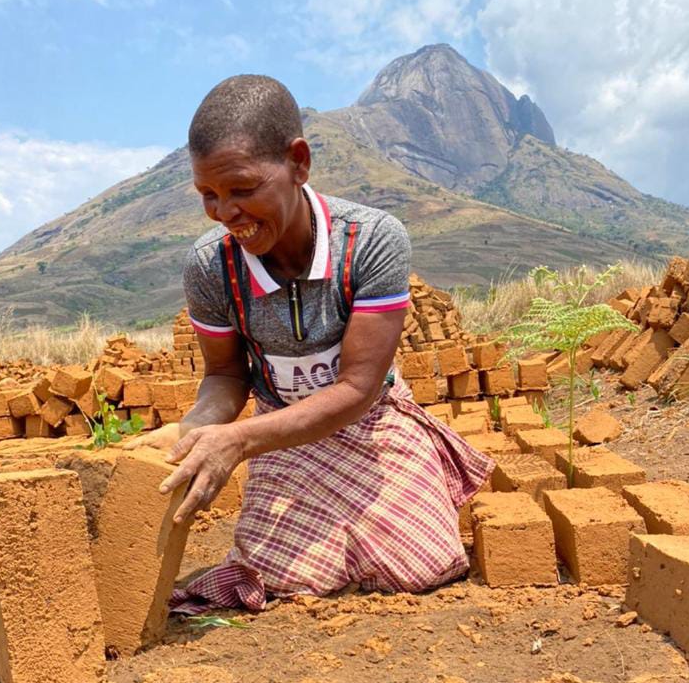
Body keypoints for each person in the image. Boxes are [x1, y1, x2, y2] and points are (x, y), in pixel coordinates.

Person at [128, 74, 493, 611]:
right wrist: (196, 429)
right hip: (281, 430)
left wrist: (239, 442)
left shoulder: (371, 240)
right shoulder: (211, 266)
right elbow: (227, 376)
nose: (226, 214)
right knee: (276, 575)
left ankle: (418, 477)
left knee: (421, 566)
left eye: (243, 189)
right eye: (208, 195)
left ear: (298, 162)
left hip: (369, 419)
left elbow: (359, 387)